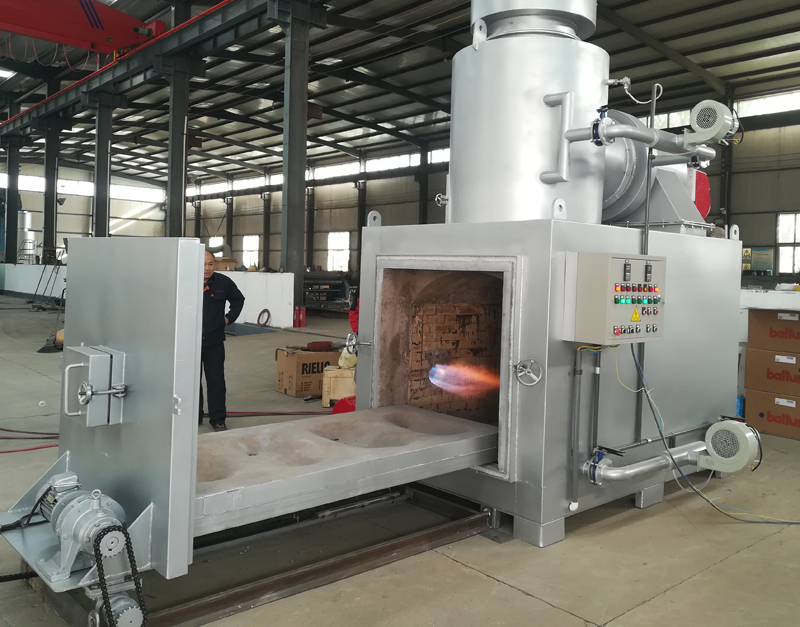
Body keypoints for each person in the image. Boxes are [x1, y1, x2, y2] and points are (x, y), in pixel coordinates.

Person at [200, 251, 245, 432]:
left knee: (216, 382)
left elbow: (238, 300)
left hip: (214, 341)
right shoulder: (185, 281)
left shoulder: (223, 282)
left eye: (210, 264)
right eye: (203, 264)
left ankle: (218, 419)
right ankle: (194, 416)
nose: (207, 268)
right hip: (190, 342)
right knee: (190, 382)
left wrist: (228, 318)